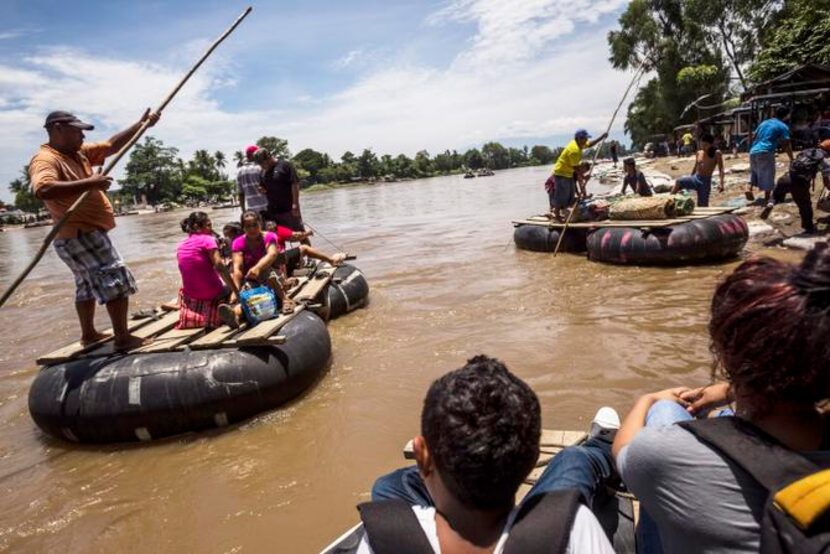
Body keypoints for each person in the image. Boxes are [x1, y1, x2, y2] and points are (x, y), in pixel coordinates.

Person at [612, 245, 830, 553]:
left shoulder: (663, 455)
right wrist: (727, 391)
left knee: (666, 411)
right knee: (722, 419)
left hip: (670, 466)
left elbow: (623, 450)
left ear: (726, 354)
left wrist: (647, 400)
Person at [362, 355, 617, 553]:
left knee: (389, 485)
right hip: (535, 535)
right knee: (573, 459)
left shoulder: (387, 537)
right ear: (532, 459)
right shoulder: (571, 530)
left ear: (421, 454)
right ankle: (603, 449)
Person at [29, 108, 159, 351]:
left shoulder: (77, 154)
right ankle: (122, 338)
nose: (83, 136)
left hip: (78, 235)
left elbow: (110, 145)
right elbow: (43, 189)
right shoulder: (46, 159)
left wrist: (141, 125)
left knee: (85, 285)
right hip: (80, 234)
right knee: (115, 278)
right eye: (78, 130)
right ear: (58, 129)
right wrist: (91, 183)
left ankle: (88, 334)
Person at [220, 210, 293, 327]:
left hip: (273, 276)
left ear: (260, 224)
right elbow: (237, 268)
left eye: (255, 225)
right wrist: (235, 291)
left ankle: (285, 300)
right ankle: (235, 314)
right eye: (248, 226)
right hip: (251, 279)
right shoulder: (238, 242)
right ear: (243, 228)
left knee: (268, 274)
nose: (252, 229)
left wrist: (258, 268)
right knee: (247, 294)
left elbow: (272, 254)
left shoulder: (269, 236)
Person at [176, 212, 239, 329]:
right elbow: (220, 266)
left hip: (191, 295)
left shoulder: (181, 245)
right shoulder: (208, 239)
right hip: (212, 292)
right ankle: (233, 306)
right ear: (196, 227)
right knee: (235, 275)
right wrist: (236, 290)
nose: (211, 229)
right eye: (208, 225)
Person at [761, 138, 830, 233]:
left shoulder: (806, 151)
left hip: (786, 178)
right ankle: (809, 228)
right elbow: (826, 182)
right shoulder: (823, 162)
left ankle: (771, 203)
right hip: (800, 184)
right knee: (805, 206)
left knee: (777, 193)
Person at [253, 148, 310, 245]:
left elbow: (295, 184)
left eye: (262, 163)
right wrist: (261, 189)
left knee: (300, 234)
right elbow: (263, 187)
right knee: (277, 236)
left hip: (289, 209)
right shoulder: (263, 172)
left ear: (269, 157)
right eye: (259, 164)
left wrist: (295, 204)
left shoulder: (285, 165)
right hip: (273, 210)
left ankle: (311, 257)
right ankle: (283, 257)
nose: (261, 166)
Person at [550, 129, 608, 221]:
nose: (586, 141)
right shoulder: (574, 150)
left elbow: (590, 144)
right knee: (561, 196)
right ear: (578, 138)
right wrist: (584, 176)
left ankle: (567, 213)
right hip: (561, 173)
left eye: (586, 139)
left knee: (570, 195)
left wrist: (601, 137)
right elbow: (575, 167)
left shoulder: (579, 143)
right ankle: (557, 215)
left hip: (568, 173)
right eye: (584, 139)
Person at [747, 106, 794, 202]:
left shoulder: (764, 123)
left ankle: (748, 188)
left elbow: (754, 135)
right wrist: (791, 158)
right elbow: (786, 144)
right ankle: (767, 198)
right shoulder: (783, 126)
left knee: (754, 173)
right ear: (786, 116)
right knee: (768, 174)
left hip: (753, 151)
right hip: (766, 151)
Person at [670, 133, 724, 207]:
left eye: (706, 145)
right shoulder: (699, 153)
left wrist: (721, 183)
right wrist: (690, 177)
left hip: (705, 182)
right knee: (679, 181)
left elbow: (721, 169)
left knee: (703, 205)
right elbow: (695, 167)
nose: (703, 147)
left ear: (711, 144)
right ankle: (668, 202)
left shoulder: (716, 153)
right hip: (696, 178)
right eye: (702, 145)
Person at [236, 145, 268, 215]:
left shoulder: (239, 172)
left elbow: (241, 194)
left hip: (251, 211)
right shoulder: (260, 168)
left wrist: (244, 211)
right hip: (265, 207)